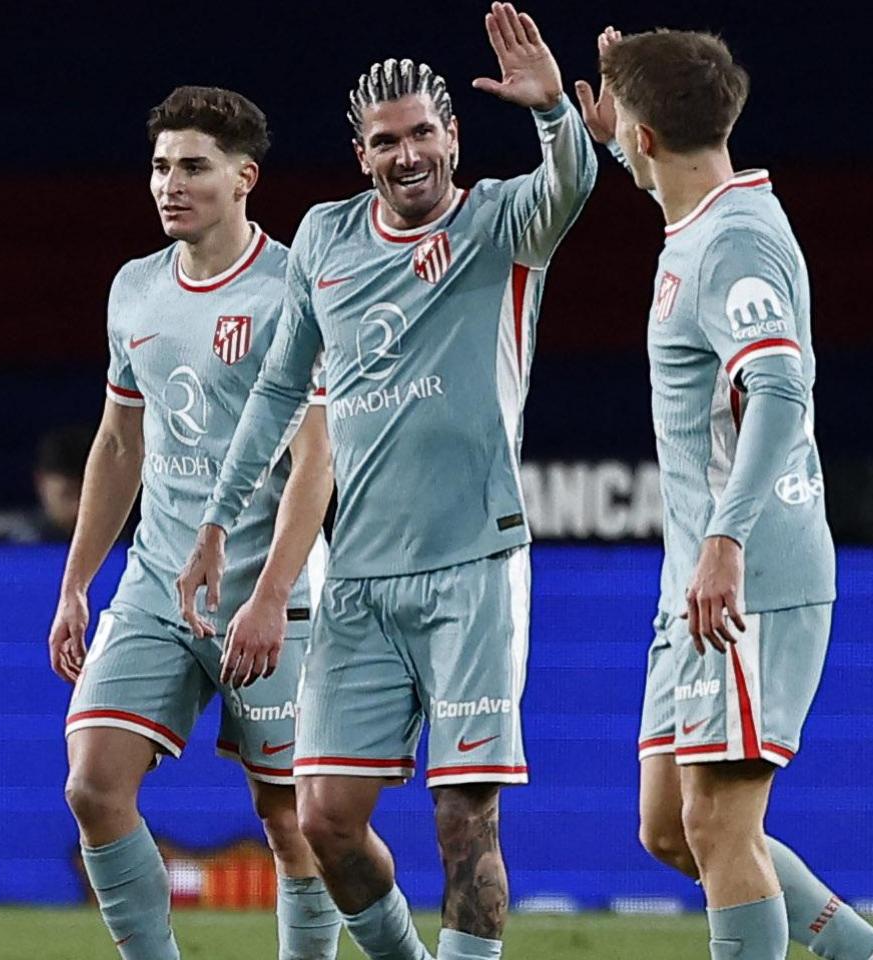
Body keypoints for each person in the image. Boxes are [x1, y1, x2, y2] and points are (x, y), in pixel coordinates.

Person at [176, 6, 596, 958]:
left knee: (464, 823)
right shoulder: (325, 240)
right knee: (323, 819)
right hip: (360, 577)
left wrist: (550, 114)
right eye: (385, 141)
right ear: (359, 154)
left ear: (453, 134)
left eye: (422, 134)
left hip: (475, 565)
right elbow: (281, 387)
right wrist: (215, 522)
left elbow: (570, 185)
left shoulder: (501, 224)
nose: (408, 156)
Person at [578, 27, 873, 960]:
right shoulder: (703, 223)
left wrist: (726, 542)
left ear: (646, 138)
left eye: (625, 121)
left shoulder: (735, 241)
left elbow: (782, 389)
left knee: (718, 825)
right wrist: (619, 121)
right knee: (670, 828)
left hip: (747, 573)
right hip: (696, 580)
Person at [47, 85, 338, 960]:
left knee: (295, 824)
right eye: (161, 166)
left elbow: (314, 461)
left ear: (245, 177)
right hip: (157, 587)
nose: (171, 184)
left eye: (194, 167)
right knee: (94, 786)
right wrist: (75, 584)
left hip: (269, 596)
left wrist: (272, 595)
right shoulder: (135, 288)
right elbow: (118, 444)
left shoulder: (295, 288)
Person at [0, 423, 96, 543]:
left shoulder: (119, 544)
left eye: (88, 496)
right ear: (41, 482)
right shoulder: (11, 537)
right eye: (68, 494)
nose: (77, 507)